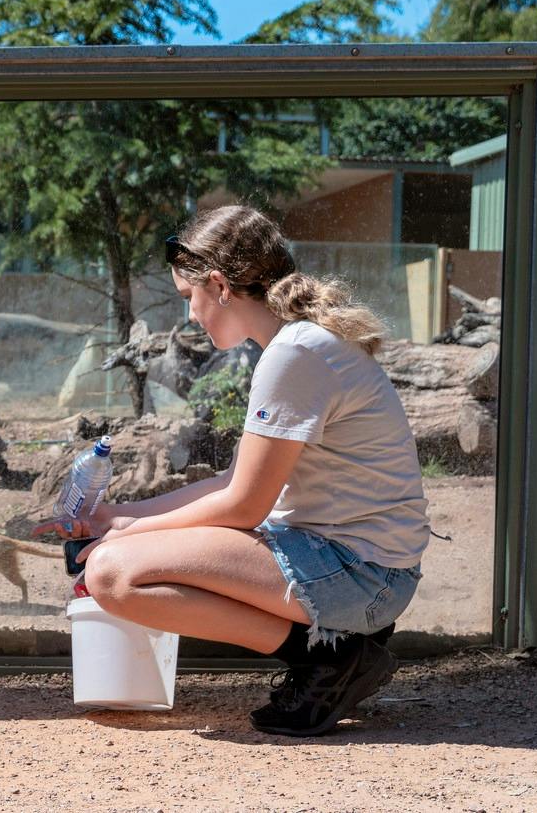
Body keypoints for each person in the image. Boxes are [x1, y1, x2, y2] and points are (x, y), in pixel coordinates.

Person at [72, 205, 429, 737]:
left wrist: (121, 537)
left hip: (362, 577)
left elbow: (243, 507)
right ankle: (332, 648)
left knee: (112, 574)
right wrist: (117, 518)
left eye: (187, 297)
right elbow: (231, 485)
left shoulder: (294, 354)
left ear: (218, 285)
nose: (190, 314)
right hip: (353, 564)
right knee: (117, 557)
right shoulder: (296, 343)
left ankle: (332, 658)